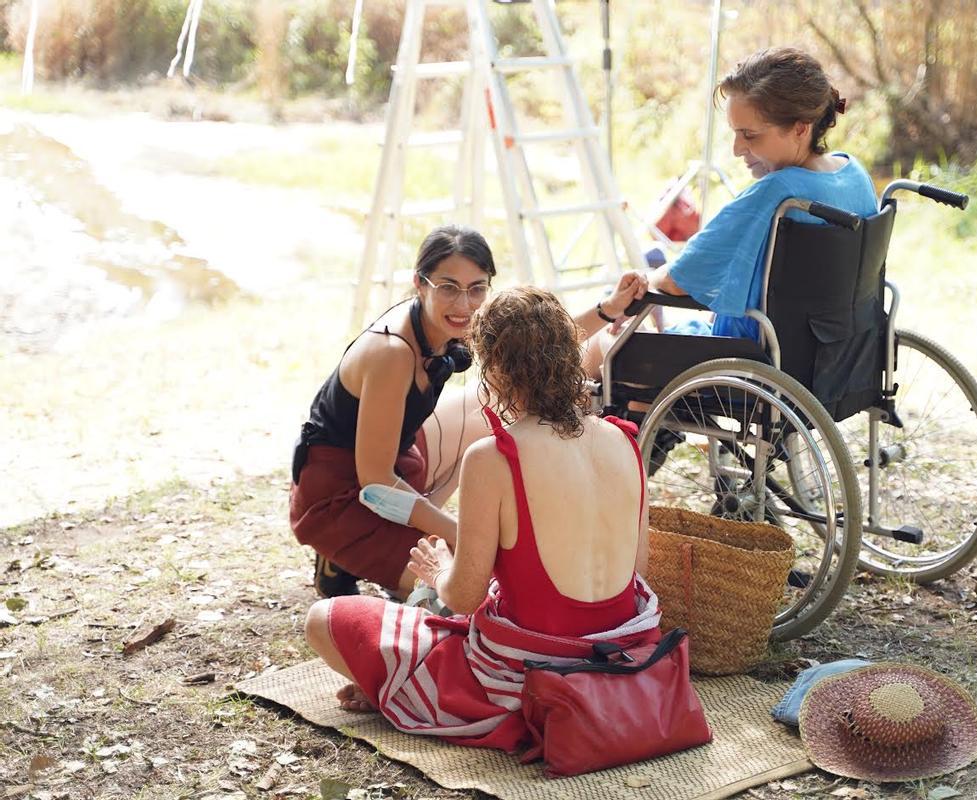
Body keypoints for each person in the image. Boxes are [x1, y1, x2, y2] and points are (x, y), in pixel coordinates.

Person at [303, 287, 661, 751]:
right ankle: (395, 685)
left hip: (527, 681)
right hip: (621, 664)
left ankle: (399, 692)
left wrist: (438, 575)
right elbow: (637, 573)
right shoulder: (624, 440)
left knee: (324, 618)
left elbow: (466, 599)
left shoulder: (495, 457)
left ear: (495, 369)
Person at [290, 226, 646, 600]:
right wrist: (461, 531)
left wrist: (610, 308)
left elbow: (539, 348)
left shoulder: (453, 321)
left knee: (493, 415)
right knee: (462, 585)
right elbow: (376, 484)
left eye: (476, 288)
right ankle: (341, 553)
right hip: (342, 494)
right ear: (420, 283)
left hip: (400, 459)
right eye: (448, 287)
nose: (463, 304)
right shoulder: (392, 352)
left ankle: (383, 545)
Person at [583, 46, 878, 375]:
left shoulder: (779, 193)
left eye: (749, 135)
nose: (738, 149)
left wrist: (637, 287)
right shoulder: (855, 176)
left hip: (748, 359)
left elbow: (677, 281)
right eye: (735, 134)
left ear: (800, 128)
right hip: (834, 359)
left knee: (605, 346)